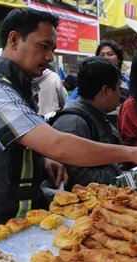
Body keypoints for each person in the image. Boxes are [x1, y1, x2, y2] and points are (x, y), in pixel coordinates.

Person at [0, 8, 137, 242]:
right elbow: (58, 144)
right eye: (43, 46)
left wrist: (42, 159)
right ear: (14, 40)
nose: (49, 57)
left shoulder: (18, 89)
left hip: (14, 225)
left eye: (52, 49)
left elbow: (15, 145)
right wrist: (133, 153)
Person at [52, 57, 124, 189]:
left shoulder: (96, 115)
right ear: (105, 91)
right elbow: (77, 178)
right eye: (118, 87)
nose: (120, 93)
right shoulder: (74, 123)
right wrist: (119, 175)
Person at [66, 39, 129, 106]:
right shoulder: (89, 81)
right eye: (102, 55)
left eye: (110, 54)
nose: (106, 58)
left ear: (119, 58)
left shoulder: (127, 82)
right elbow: (69, 104)